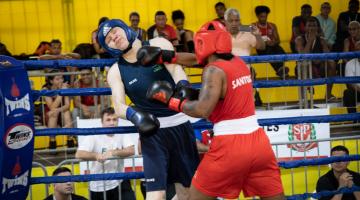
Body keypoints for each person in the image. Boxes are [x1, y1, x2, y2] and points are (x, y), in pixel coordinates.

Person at [147, 20, 284, 200]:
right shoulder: (238, 62)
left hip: (230, 147)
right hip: (260, 145)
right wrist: (166, 56)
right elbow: (199, 62)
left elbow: (202, 110)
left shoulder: (213, 70)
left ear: (203, 43)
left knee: (193, 197)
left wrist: (171, 101)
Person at [97, 19, 199, 200]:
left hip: (180, 124)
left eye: (115, 31)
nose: (114, 37)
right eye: (109, 39)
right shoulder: (116, 71)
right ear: (109, 47)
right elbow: (118, 106)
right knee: (155, 195)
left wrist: (183, 86)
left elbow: (175, 68)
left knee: (187, 192)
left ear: (125, 28)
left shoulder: (159, 43)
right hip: (153, 133)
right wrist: (135, 115)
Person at [75, 107, 136, 200]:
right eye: (108, 120)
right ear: (102, 122)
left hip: (119, 180)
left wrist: (113, 152)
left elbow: (131, 150)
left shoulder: (121, 132)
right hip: (99, 184)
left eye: (114, 119)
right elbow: (79, 154)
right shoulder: (94, 134)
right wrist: (96, 155)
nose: (112, 123)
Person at [224, 8, 265, 106]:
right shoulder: (220, 34)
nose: (234, 23)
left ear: (240, 21)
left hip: (244, 77)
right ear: (225, 22)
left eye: (237, 20)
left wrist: (258, 35)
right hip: (226, 76)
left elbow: (261, 47)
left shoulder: (247, 33)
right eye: (231, 21)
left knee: (245, 105)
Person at [295, 17, 337, 101]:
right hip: (305, 67)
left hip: (319, 66)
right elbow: (302, 56)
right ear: (305, 28)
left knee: (332, 63)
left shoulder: (321, 40)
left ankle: (328, 95)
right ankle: (303, 97)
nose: (312, 28)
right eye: (309, 26)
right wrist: (310, 41)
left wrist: (320, 59)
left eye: (314, 25)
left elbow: (328, 55)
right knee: (303, 64)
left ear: (317, 28)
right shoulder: (299, 39)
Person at [252, 5, 289, 78]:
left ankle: (281, 70)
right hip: (261, 48)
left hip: (273, 47)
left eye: (265, 17)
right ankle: (280, 70)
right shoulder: (253, 26)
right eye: (261, 17)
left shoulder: (272, 25)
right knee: (268, 49)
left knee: (279, 49)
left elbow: (278, 40)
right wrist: (263, 42)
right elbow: (252, 40)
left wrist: (273, 42)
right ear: (257, 16)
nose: (264, 19)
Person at [42, 69, 75, 149]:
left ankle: (70, 140)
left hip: (62, 111)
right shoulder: (45, 89)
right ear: (51, 81)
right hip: (49, 114)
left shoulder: (65, 86)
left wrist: (58, 110)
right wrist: (61, 93)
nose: (61, 81)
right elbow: (52, 107)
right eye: (57, 79)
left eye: (62, 78)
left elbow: (67, 105)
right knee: (53, 114)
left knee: (66, 112)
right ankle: (52, 142)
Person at [343, 41, 360, 115]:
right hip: (357, 91)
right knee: (348, 93)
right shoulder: (350, 64)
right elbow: (351, 83)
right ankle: (354, 118)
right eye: (358, 49)